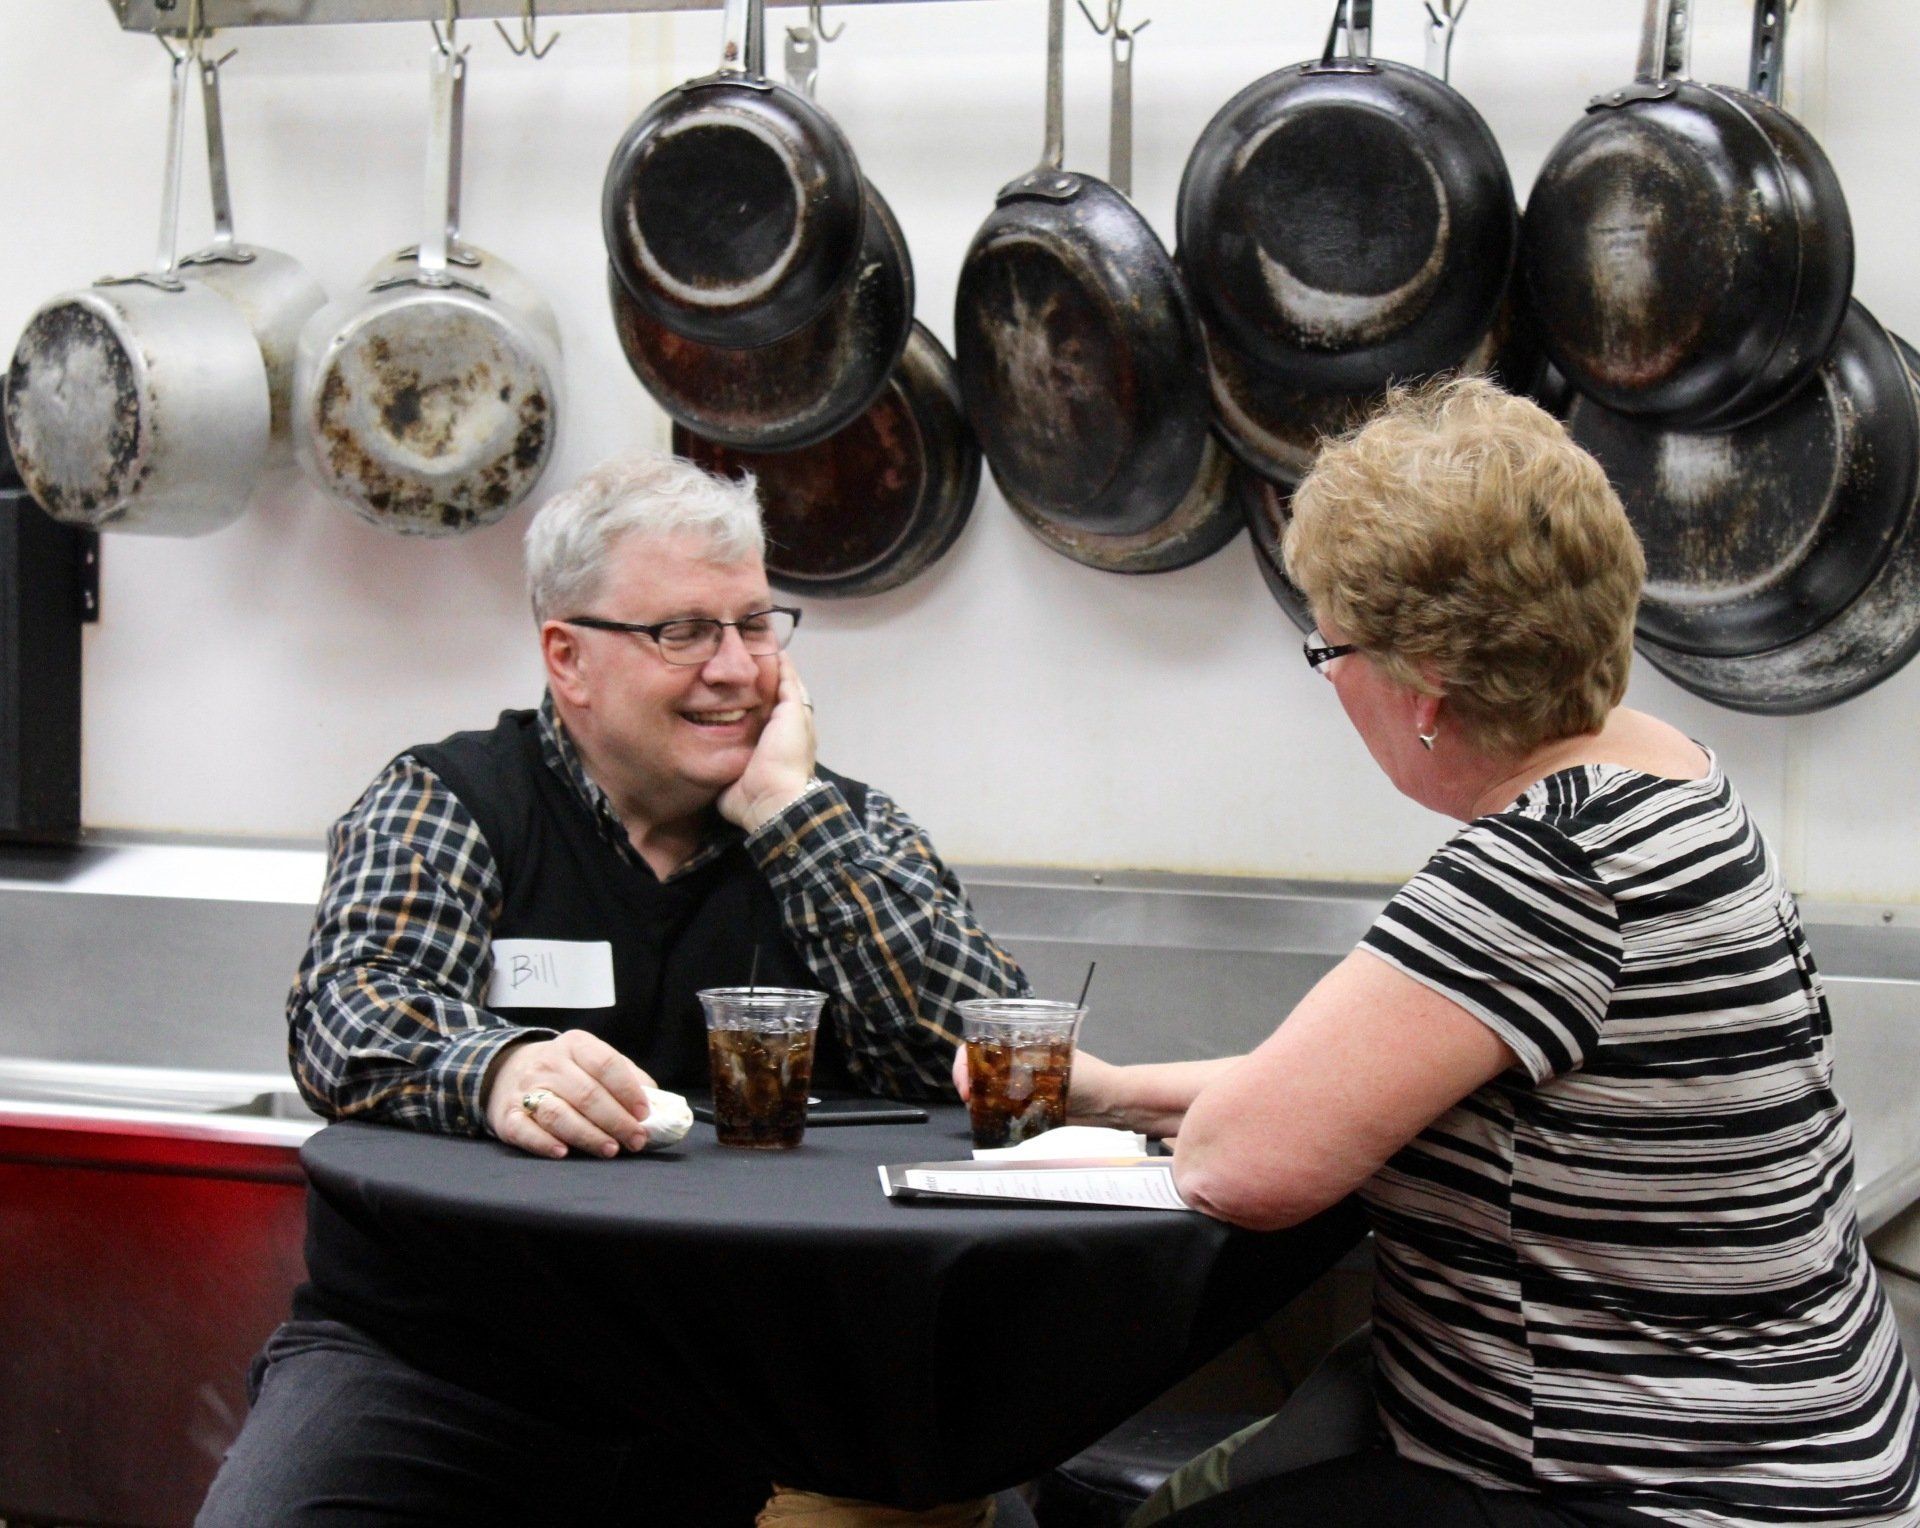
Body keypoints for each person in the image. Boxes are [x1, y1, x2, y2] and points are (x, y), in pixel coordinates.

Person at [1050, 379, 1920, 1527]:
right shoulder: (1669, 779)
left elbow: (1239, 1166)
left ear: (1426, 691)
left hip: (1654, 1493)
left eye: (1330, 646)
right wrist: (1115, 1092)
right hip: (1802, 1453)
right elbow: (1375, 1073)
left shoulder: (1546, 867)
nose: (1330, 676)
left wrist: (1157, 1115)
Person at [199, 453, 1030, 1527]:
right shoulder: (451, 801)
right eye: (683, 632)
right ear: (569, 658)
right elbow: (348, 1007)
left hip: (764, 1373)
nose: (736, 669)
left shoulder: (842, 832)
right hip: (449, 1358)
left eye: (756, 624)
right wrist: (496, 1066)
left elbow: (988, 1058)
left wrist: (788, 818)